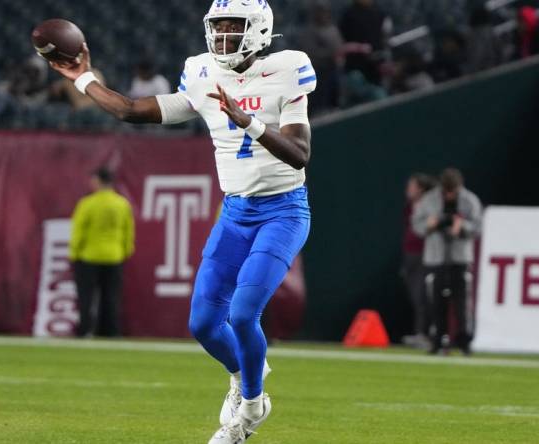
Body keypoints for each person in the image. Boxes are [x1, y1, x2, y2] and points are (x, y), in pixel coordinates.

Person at [49, 2, 315, 442]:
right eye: (219, 26)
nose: (224, 36)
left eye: (235, 27)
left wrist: (247, 122)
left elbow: (300, 154)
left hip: (283, 209)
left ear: (260, 29)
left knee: (245, 314)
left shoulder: (288, 69)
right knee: (204, 325)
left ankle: (250, 409)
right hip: (235, 213)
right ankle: (241, 375)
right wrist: (83, 77)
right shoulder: (202, 71)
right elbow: (132, 110)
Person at [411, 168, 482, 356]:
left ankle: (464, 341)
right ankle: (437, 341)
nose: (450, 195)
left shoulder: (469, 201)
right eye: (447, 191)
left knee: (462, 303)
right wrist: (430, 225)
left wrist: (462, 227)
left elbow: (478, 227)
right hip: (435, 258)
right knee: (435, 302)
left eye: (453, 191)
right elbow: (416, 225)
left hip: (460, 258)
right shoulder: (429, 200)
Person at [70, 168, 135, 338]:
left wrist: (74, 253)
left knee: (86, 297)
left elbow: (79, 231)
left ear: (97, 181)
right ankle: (110, 331)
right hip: (114, 256)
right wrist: (125, 251)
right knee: (111, 297)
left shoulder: (87, 203)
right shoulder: (122, 203)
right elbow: (128, 231)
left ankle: (85, 330)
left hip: (89, 256)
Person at [400, 173, 435, 349]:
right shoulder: (409, 206)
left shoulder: (429, 206)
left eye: (412, 186)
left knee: (422, 295)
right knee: (415, 295)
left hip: (424, 255)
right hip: (410, 255)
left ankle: (425, 334)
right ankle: (420, 332)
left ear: (420, 189)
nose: (408, 189)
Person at [297, 3, 344, 111]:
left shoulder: (333, 29)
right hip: (318, 71)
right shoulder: (309, 32)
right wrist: (329, 55)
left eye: (325, 12)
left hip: (334, 68)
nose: (323, 15)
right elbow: (310, 52)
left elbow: (340, 46)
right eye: (320, 12)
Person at [340, 0, 390, 85]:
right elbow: (343, 41)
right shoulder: (348, 14)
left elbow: (384, 34)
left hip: (377, 63)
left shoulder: (378, 12)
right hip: (356, 65)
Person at [465, 6, 504, 74]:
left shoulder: (473, 35)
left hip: (487, 72)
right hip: (491, 71)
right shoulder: (490, 32)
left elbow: (476, 58)